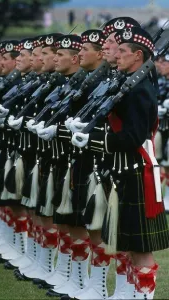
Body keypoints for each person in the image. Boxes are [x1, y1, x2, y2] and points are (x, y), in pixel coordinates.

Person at [72, 26, 169, 299]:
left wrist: (94, 141)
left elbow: (132, 137)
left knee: (140, 248)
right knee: (124, 243)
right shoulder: (128, 84)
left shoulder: (140, 90)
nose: (117, 55)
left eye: (123, 51)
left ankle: (142, 296)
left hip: (136, 170)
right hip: (122, 169)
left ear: (137, 56)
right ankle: (125, 294)